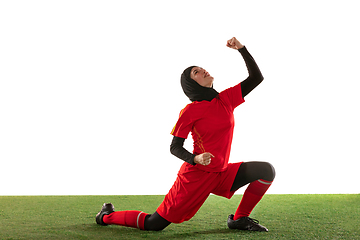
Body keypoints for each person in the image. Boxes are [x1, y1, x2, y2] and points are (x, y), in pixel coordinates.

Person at [96, 37, 275, 232]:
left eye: (201, 68)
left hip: (221, 173)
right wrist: (195, 158)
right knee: (153, 224)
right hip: (196, 176)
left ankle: (239, 219)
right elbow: (174, 147)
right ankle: (105, 217)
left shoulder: (225, 100)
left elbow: (256, 78)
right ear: (191, 84)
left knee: (266, 171)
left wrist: (241, 49)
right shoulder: (190, 111)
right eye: (195, 72)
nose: (202, 70)